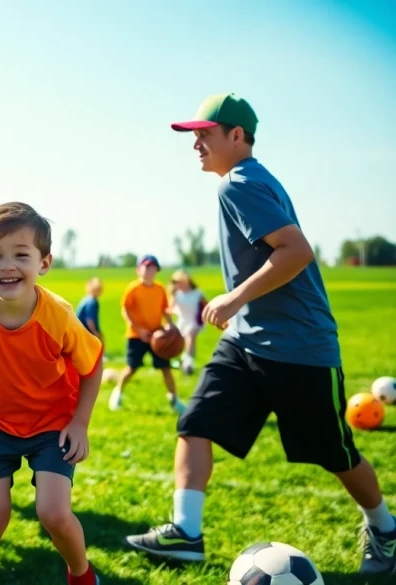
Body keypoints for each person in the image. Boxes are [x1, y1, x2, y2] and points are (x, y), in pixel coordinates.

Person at [124, 93, 395, 575]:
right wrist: (240, 309)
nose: (196, 145)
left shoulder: (241, 184)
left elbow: (296, 251)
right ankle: (187, 533)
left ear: (236, 136)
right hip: (246, 341)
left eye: (204, 135)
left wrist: (233, 298)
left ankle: (386, 530)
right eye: (194, 136)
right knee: (195, 423)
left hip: (299, 348)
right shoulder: (243, 181)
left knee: (336, 453)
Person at [0, 202, 104, 585]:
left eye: (20, 255)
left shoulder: (57, 315)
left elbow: (92, 366)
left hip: (53, 425)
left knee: (53, 514)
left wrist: (80, 423)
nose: (7, 265)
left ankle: (81, 574)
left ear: (44, 263)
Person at [108, 255, 185, 414]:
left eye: (152, 268)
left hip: (157, 337)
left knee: (166, 368)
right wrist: (138, 329)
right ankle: (118, 393)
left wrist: (171, 325)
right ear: (138, 270)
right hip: (136, 336)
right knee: (131, 368)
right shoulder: (133, 288)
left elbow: (164, 310)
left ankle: (175, 399)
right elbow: (126, 311)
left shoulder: (159, 288)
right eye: (146, 267)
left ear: (156, 271)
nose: (149, 271)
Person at [168, 270, 206, 375]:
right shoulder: (176, 295)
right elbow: (170, 309)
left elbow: (207, 306)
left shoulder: (197, 293)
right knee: (181, 341)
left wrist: (204, 317)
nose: (179, 285)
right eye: (176, 283)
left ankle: (188, 363)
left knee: (190, 336)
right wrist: (175, 312)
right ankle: (183, 359)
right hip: (182, 321)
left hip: (195, 321)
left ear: (187, 281)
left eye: (181, 282)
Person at [75, 277, 104, 346]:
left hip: (80, 330)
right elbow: (90, 319)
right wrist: (95, 332)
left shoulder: (86, 299)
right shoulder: (92, 302)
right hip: (86, 330)